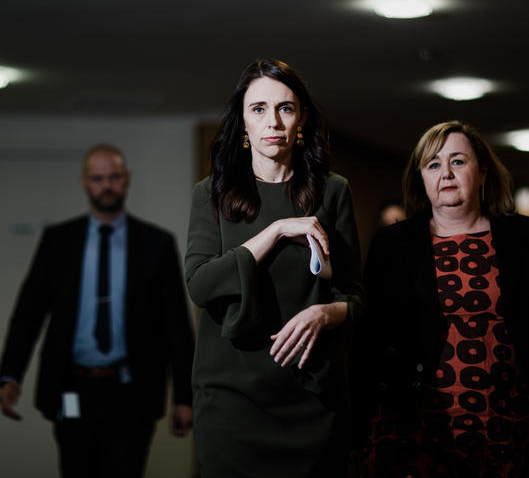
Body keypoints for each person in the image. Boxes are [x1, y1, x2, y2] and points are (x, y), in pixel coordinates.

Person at [355, 121, 529, 477]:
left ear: (482, 171)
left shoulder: (525, 235)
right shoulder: (392, 244)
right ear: (421, 177)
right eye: (433, 164)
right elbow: (369, 335)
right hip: (419, 424)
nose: (446, 174)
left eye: (458, 162)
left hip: (512, 417)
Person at [185, 59, 363, 477]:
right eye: (259, 108)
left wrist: (325, 313)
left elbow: (355, 296)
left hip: (311, 397)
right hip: (231, 404)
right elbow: (201, 285)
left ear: (300, 118)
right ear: (242, 121)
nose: (274, 122)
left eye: (285, 108)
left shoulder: (333, 191)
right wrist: (278, 230)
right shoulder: (211, 194)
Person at [0, 143, 195, 477]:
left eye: (114, 177)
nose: (107, 185)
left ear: (127, 179)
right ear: (85, 183)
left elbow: (176, 325)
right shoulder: (58, 240)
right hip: (71, 386)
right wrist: (10, 374)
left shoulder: (156, 244)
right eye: (98, 178)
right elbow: (28, 314)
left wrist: (185, 396)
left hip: (133, 390)